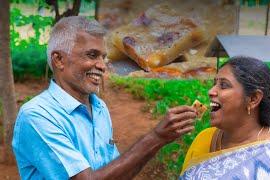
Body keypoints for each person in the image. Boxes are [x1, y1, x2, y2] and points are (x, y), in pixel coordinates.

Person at [12, 16, 197, 179]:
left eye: (103, 57)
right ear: (59, 60)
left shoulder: (98, 107)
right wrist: (155, 138)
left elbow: (117, 173)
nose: (102, 65)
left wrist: (158, 141)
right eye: (92, 55)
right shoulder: (36, 116)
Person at [180, 56, 270, 179]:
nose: (211, 91)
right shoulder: (204, 139)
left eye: (223, 85)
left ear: (253, 99)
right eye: (214, 84)